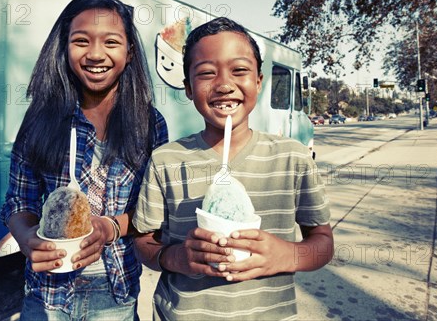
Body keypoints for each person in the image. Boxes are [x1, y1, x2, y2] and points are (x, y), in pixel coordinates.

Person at [133, 17, 334, 320]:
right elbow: (143, 241)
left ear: (258, 81)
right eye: (206, 73)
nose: (225, 85)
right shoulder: (166, 160)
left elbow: (323, 242)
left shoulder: (293, 158)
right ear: (187, 87)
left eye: (239, 70)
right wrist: (176, 257)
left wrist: (286, 255)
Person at [0, 0, 168, 320]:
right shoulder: (40, 118)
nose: (95, 54)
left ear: (130, 52)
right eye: (81, 40)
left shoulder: (149, 124)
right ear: (64, 47)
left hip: (115, 293)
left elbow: (157, 214)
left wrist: (109, 228)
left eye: (111, 42)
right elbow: (20, 201)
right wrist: (25, 237)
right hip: (45, 293)